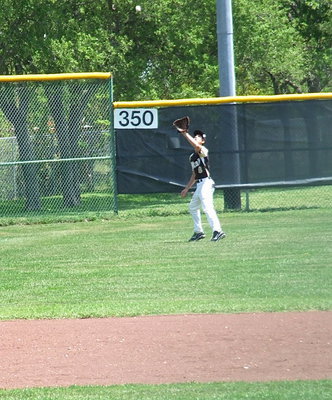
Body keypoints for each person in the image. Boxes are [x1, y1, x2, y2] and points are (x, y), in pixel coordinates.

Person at [179, 128, 226, 242]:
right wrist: (187, 188)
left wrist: (185, 134)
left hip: (206, 183)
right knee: (193, 207)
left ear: (203, 141)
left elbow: (197, 147)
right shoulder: (192, 157)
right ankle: (198, 232)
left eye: (199, 136)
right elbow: (195, 174)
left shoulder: (203, 150)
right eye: (195, 136)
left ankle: (218, 231)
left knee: (207, 207)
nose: (196, 136)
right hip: (200, 184)